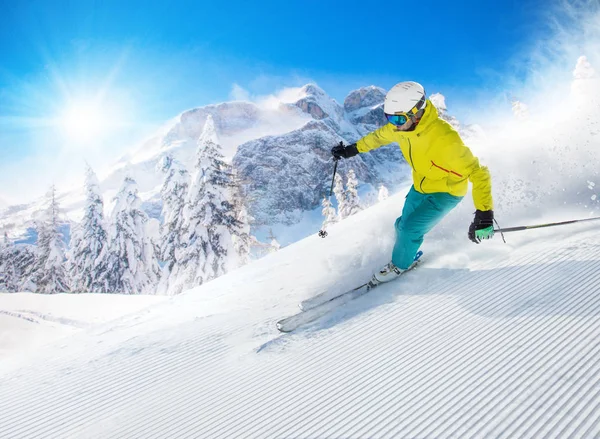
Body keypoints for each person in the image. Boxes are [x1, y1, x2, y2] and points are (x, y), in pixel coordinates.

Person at [332, 81, 494, 284]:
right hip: (421, 186)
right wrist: (352, 149)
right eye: (389, 117)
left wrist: (484, 213)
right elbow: (378, 137)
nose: (394, 124)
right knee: (400, 225)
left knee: (409, 229)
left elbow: (479, 172)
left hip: (447, 192)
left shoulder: (445, 138)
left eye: (399, 118)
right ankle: (407, 253)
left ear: (417, 112)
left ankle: (400, 265)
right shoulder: (401, 128)